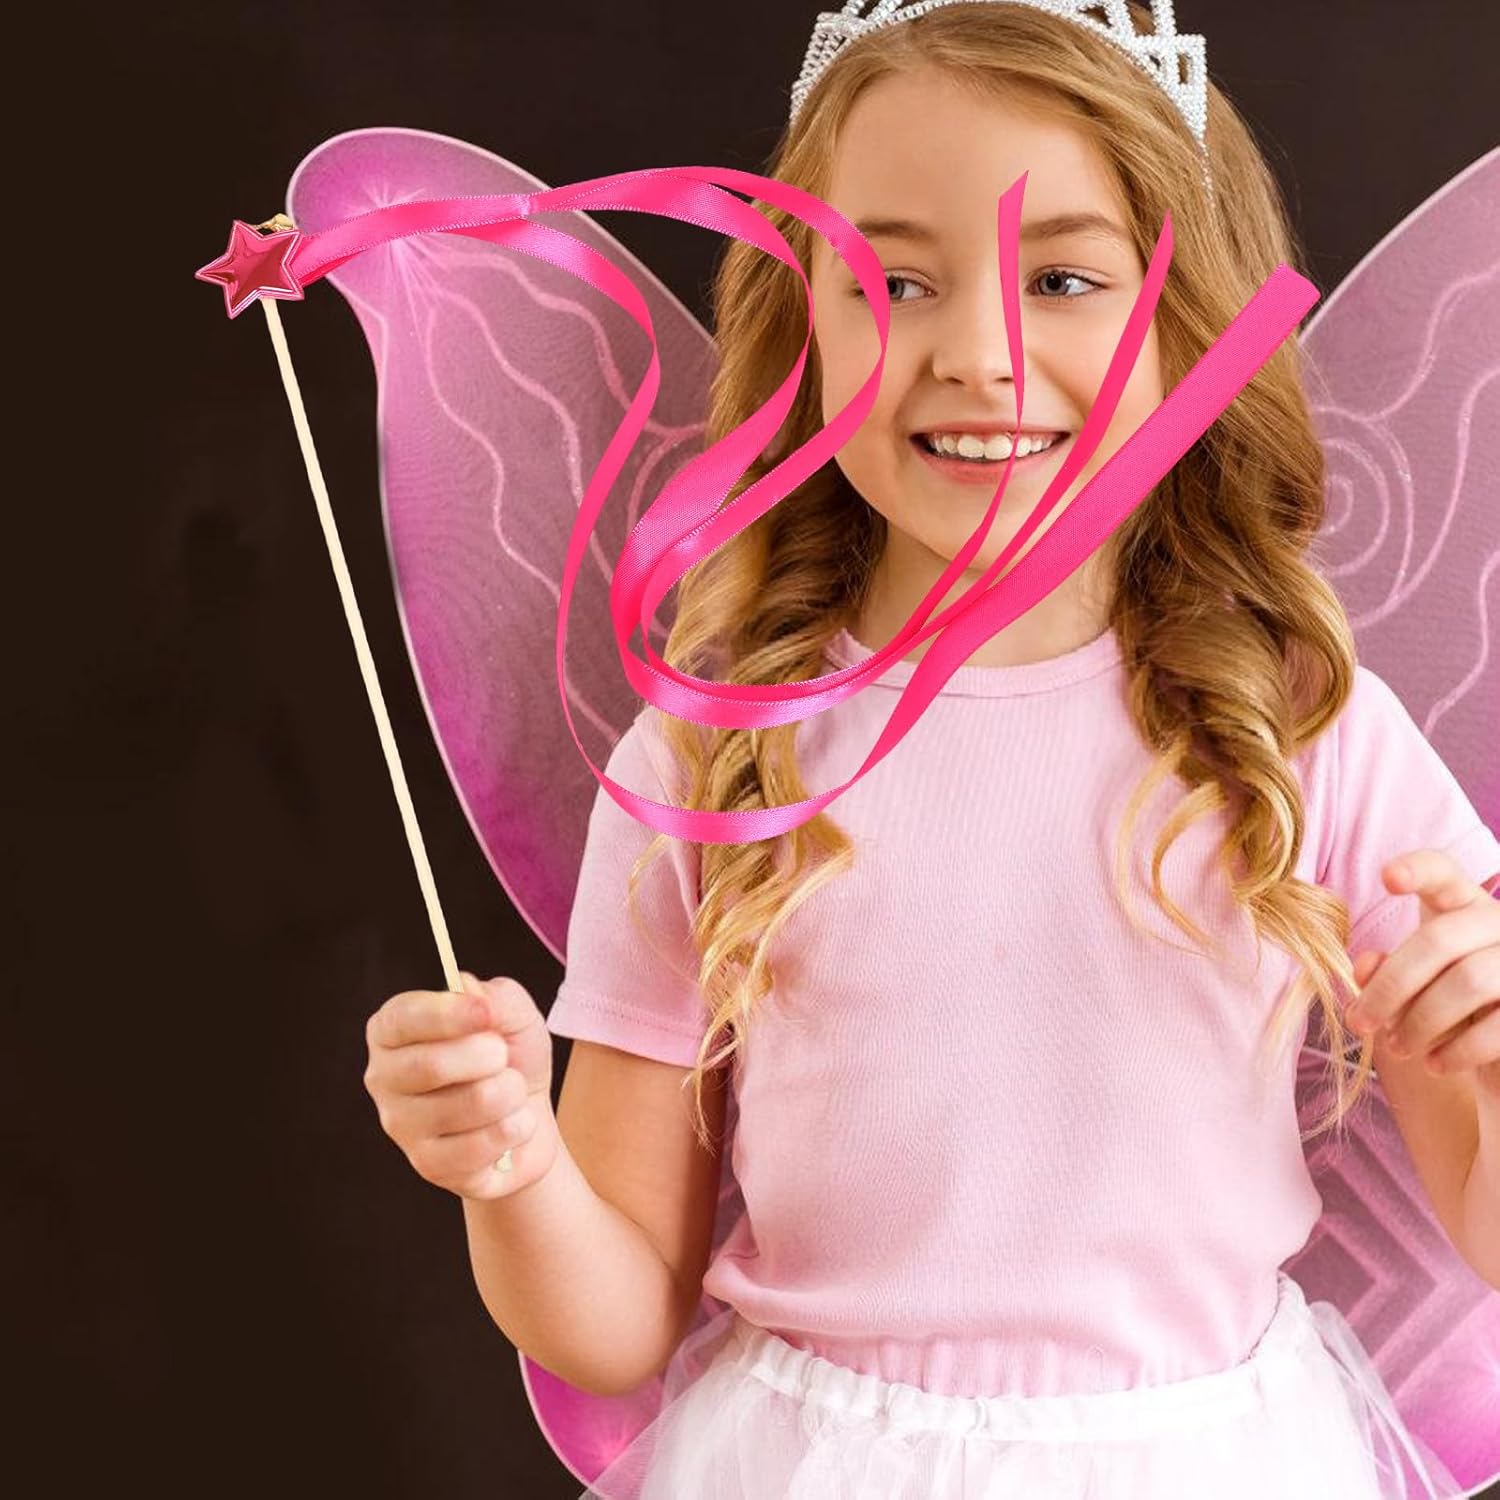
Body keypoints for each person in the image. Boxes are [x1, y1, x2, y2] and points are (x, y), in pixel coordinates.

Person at [361, 3, 1500, 1495]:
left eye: (1066, 278)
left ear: (1187, 321)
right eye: (894, 282)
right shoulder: (714, 760)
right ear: (804, 323)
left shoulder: (1298, 730)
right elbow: (615, 1323)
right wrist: (510, 1167)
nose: (977, 353)